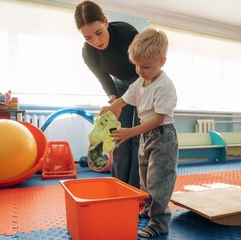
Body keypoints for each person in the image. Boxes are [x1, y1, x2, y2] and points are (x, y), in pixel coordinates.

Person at [99, 28, 178, 238]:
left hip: (163, 136)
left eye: (145, 66)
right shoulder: (140, 81)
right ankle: (149, 209)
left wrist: (131, 132)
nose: (140, 70)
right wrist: (109, 108)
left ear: (162, 61)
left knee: (158, 180)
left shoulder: (164, 86)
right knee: (144, 177)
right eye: (136, 65)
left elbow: (159, 118)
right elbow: (125, 99)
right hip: (147, 135)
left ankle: (160, 222)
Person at [74, 1, 140, 188]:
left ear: (105, 21)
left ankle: (137, 189)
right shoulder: (88, 53)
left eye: (99, 33)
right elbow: (105, 80)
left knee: (137, 137)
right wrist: (113, 101)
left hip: (142, 82)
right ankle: (119, 186)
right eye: (87, 38)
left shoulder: (127, 33)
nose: (96, 42)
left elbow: (143, 67)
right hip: (119, 85)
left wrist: (129, 98)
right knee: (118, 136)